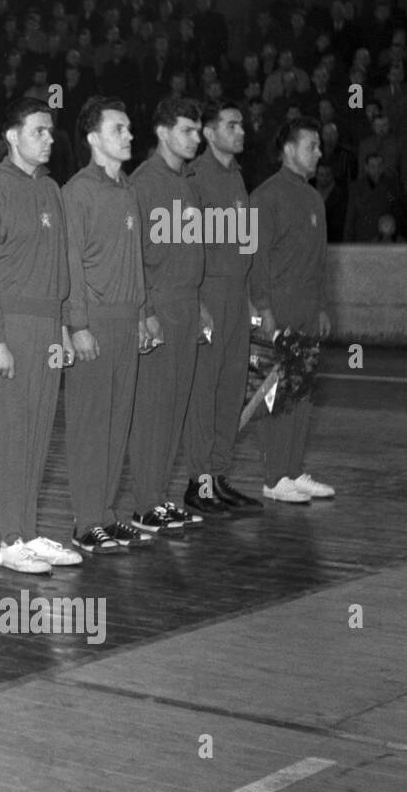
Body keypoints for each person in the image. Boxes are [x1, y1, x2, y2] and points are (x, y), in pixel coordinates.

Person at [0, 97, 82, 573]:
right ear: (13, 136)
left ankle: (29, 530)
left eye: (51, 131)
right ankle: (6, 539)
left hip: (46, 325)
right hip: (11, 325)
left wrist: (62, 324)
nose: (49, 139)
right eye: (39, 131)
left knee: (38, 434)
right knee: (7, 433)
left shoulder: (52, 189)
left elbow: (60, 264)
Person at [62, 96, 146, 556]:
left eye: (129, 128)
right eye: (119, 129)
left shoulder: (129, 190)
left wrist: (142, 313)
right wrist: (77, 325)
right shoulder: (76, 192)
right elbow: (70, 264)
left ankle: (107, 513)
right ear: (94, 138)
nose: (129, 135)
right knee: (90, 425)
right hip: (93, 322)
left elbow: (134, 262)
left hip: (125, 321)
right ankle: (85, 520)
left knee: (118, 422)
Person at [126, 97, 214, 533]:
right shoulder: (143, 183)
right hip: (159, 305)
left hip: (185, 304)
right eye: (187, 131)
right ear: (162, 132)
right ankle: (145, 503)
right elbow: (135, 258)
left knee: (177, 406)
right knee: (154, 410)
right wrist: (146, 312)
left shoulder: (189, 184)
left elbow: (190, 252)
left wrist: (198, 304)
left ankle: (159, 497)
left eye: (198, 131)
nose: (196, 139)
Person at [249, 117, 336, 503]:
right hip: (277, 315)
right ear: (288, 150)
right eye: (311, 146)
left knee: (302, 392)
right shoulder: (265, 197)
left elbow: (320, 262)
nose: (318, 153)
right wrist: (264, 310)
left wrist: (320, 306)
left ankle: (293, 470)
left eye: (319, 146)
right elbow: (255, 258)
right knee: (276, 394)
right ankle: (273, 478)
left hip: (305, 312)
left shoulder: (314, 198)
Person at [183, 100, 264, 514]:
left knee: (232, 388)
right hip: (210, 292)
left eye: (242, 124)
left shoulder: (237, 177)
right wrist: (197, 301)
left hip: (236, 293)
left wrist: (249, 297)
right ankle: (199, 482)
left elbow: (245, 243)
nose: (240, 131)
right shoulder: (195, 176)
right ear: (210, 133)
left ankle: (219, 475)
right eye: (231, 125)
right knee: (205, 390)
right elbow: (188, 245)